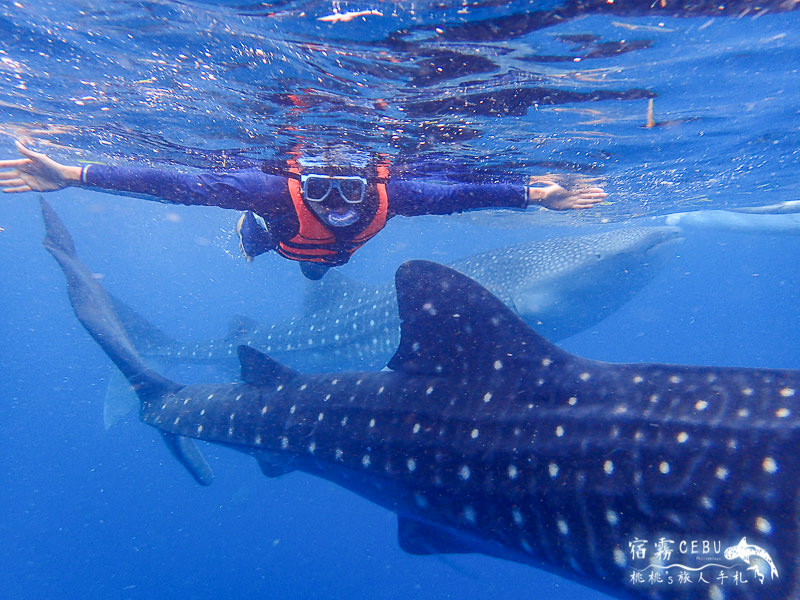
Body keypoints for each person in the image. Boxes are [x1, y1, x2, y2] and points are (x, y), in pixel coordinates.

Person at [0, 141, 607, 279]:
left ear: (373, 182)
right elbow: (175, 182)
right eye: (322, 190)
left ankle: (304, 260)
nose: (340, 203)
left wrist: (535, 194)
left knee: (325, 268)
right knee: (289, 253)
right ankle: (257, 237)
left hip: (333, 253)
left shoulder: (397, 193)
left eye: (351, 190)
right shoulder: (269, 191)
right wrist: (74, 176)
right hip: (280, 232)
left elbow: (461, 194)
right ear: (298, 181)